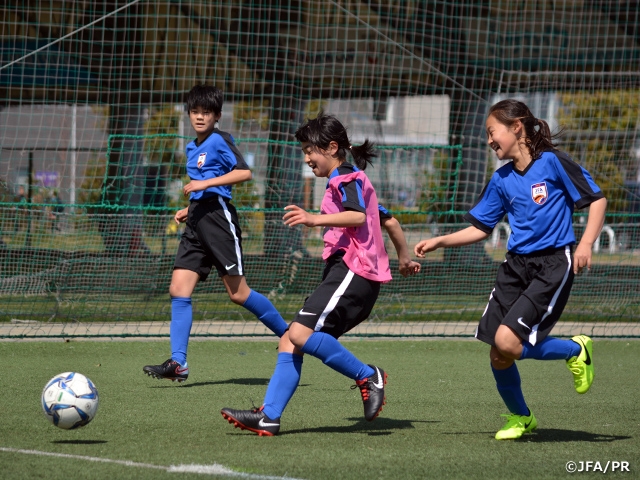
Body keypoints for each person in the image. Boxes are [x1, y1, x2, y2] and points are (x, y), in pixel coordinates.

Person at [414, 99, 607, 441]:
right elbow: (481, 227)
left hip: (552, 264)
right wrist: (440, 241)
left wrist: (587, 243)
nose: (489, 140)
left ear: (516, 127)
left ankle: (576, 350)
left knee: (507, 342)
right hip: (514, 267)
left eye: (492, 132)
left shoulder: (553, 162)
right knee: (498, 353)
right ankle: (521, 417)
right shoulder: (501, 178)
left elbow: (597, 199)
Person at [220, 113, 420, 436]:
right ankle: (269, 416)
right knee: (290, 340)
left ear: (331, 147)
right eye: (303, 152)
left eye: (310, 151)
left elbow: (357, 216)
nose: (307, 158)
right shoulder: (350, 179)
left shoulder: (345, 178)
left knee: (298, 334)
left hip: (354, 273)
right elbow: (391, 222)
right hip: (348, 276)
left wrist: (314, 219)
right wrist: (404, 258)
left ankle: (368, 376)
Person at [143, 85, 288, 382]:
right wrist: (190, 207)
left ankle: (291, 336)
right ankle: (178, 363)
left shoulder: (220, 140)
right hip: (197, 221)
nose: (200, 117)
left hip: (219, 220)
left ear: (217, 115)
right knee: (178, 289)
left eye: (206, 112)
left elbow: (244, 172)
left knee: (238, 293)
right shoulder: (191, 147)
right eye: (195, 111)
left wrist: (204, 186)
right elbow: (203, 185)